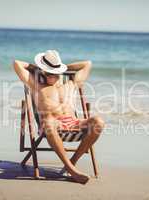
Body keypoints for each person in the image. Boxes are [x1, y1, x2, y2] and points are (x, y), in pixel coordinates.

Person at [13, 50, 104, 184]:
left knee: (99, 122)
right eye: (49, 73)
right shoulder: (36, 85)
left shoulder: (70, 84)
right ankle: (71, 169)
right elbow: (17, 64)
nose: (52, 76)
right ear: (43, 71)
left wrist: (63, 68)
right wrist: (38, 68)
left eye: (55, 74)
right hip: (52, 125)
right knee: (49, 123)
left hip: (74, 123)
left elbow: (87, 64)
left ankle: (72, 162)